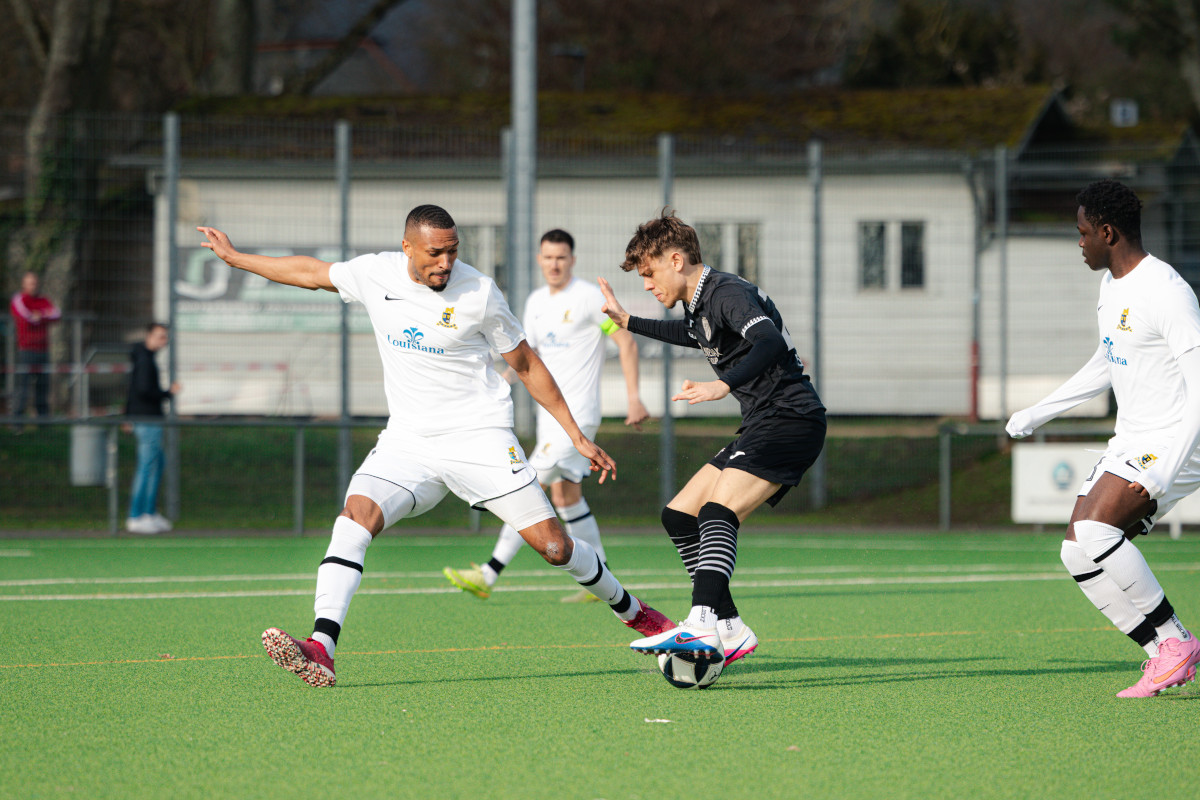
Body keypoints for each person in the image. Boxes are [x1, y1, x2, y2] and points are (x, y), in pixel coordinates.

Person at [198, 205, 672, 688]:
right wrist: (237, 258)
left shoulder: (481, 292)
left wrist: (575, 435)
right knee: (355, 518)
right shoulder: (375, 273)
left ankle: (639, 615)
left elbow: (526, 365)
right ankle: (322, 647)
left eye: (452, 251)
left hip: (480, 439)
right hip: (407, 443)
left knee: (554, 548)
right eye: (434, 253)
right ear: (408, 248)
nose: (445, 262)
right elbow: (311, 272)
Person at [599, 211, 826, 665]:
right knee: (680, 516)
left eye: (649, 273)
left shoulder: (727, 293)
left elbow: (767, 342)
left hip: (790, 419)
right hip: (765, 420)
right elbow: (689, 334)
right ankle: (730, 627)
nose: (647, 284)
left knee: (718, 511)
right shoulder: (701, 303)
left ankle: (700, 622)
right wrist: (627, 321)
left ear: (676, 260)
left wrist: (723, 384)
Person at [1006, 179, 1200, 697]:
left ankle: (1179, 644)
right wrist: (1038, 413)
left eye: (1083, 232)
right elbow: (1107, 363)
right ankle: (1162, 650)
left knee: (1096, 534)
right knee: (1076, 552)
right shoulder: (1112, 286)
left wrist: (1165, 470)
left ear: (1108, 233)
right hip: (1133, 438)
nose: (1080, 242)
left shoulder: (1168, 292)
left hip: (1176, 441)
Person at [443, 228, 650, 603]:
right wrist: (501, 380)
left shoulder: (588, 299)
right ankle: (602, 572)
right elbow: (528, 358)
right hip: (548, 418)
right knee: (566, 496)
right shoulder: (536, 301)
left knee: (524, 484)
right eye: (548, 257)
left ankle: (489, 574)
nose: (554, 264)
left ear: (572, 260)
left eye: (561, 257)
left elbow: (625, 341)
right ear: (540, 260)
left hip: (579, 417)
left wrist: (634, 397)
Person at [125, 323, 180, 534]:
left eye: (165, 337)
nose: (163, 341)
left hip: (147, 418)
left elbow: (132, 390)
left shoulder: (145, 358)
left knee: (157, 464)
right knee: (146, 468)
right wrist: (168, 393)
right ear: (149, 336)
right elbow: (143, 390)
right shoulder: (144, 360)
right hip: (147, 419)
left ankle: (149, 513)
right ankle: (135, 516)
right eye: (160, 336)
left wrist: (128, 415)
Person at [9, 271, 61, 424]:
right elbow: (26, 317)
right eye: (30, 283)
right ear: (24, 284)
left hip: (43, 351)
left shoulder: (44, 299)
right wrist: (42, 316)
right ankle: (17, 423)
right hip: (26, 350)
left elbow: (57, 314)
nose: (34, 286)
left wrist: (41, 316)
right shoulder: (19, 299)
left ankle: (43, 424)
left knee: (43, 388)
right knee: (22, 388)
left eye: (35, 282)